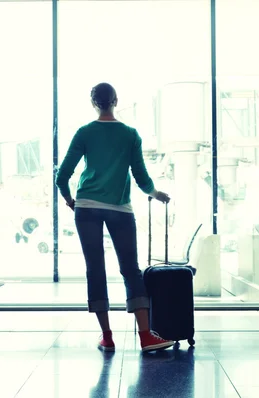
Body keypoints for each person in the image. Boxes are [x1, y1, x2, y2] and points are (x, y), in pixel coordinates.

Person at [55, 82, 175, 353]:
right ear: (116, 100)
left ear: (93, 102)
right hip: (120, 208)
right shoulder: (130, 134)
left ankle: (107, 336)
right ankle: (145, 336)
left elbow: (62, 177)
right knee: (130, 269)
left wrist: (70, 201)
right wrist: (156, 194)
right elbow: (141, 176)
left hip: (86, 207)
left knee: (95, 269)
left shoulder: (84, 132)